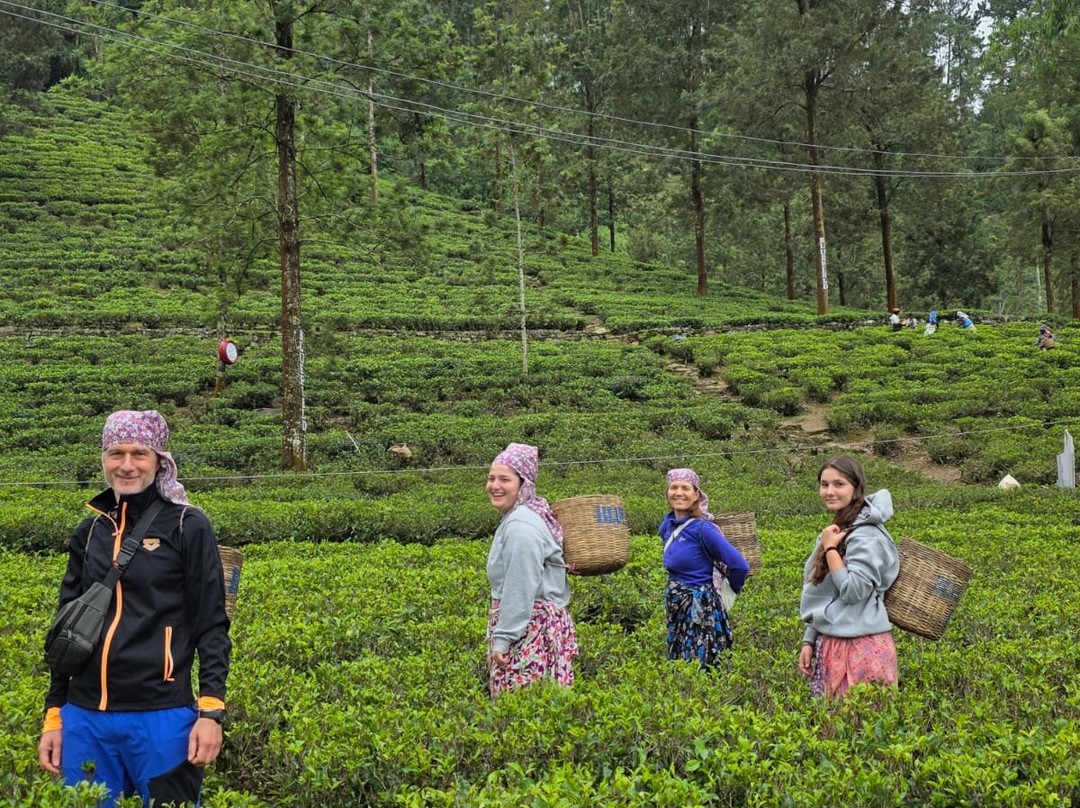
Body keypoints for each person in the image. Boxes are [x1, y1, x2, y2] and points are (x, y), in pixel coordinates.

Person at [38, 410, 231, 807]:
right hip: (84, 717)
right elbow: (66, 631)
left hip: (162, 716)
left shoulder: (187, 525)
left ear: (159, 461)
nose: (127, 465)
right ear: (104, 460)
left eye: (139, 454)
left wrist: (210, 712)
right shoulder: (89, 531)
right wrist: (55, 714)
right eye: (116, 453)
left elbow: (211, 624)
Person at [798, 456, 899, 698]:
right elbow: (825, 593)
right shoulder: (842, 527)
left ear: (856, 487)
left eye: (839, 484)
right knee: (831, 719)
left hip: (861, 647)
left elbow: (854, 591)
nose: (829, 491)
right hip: (833, 641)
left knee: (858, 719)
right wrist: (809, 640)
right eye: (824, 484)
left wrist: (830, 549)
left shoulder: (866, 535)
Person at [485, 442, 578, 698]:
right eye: (491, 478)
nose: (495, 485)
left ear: (523, 484)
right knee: (542, 706)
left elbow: (520, 586)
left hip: (529, 632)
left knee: (521, 707)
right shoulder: (521, 517)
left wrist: (503, 639)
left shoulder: (521, 527)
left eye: (505, 479)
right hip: (531, 627)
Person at [659, 469, 749, 669]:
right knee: (679, 664)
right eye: (674, 487)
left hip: (701, 610)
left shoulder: (703, 529)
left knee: (700, 664)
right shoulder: (667, 526)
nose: (679, 493)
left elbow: (740, 566)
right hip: (677, 607)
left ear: (696, 495)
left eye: (685, 488)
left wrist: (727, 593)